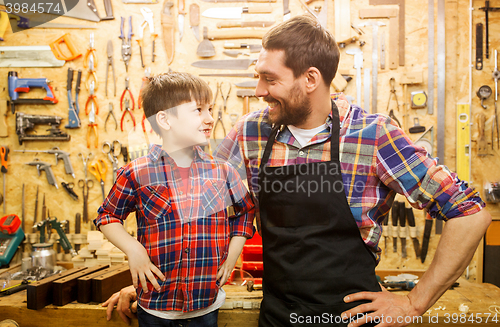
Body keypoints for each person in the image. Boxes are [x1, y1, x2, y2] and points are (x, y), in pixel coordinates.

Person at [103, 15, 491, 327]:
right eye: (258, 76)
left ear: (310, 79)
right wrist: (164, 284)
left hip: (352, 319)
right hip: (279, 316)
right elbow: (204, 212)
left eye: (269, 79)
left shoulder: (373, 135)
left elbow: (470, 213)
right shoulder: (250, 133)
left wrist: (413, 302)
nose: (258, 90)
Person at [94, 72, 255, 327]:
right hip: (156, 307)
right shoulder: (136, 173)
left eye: (210, 109)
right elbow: (107, 216)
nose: (210, 118)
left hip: (206, 305)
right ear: (165, 120)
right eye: (198, 110)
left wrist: (233, 253)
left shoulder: (223, 172)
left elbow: (246, 211)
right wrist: (134, 249)